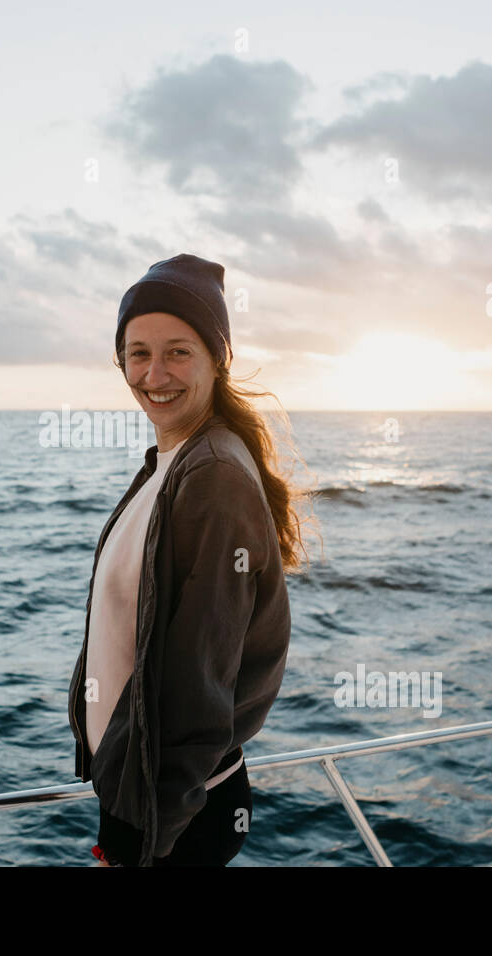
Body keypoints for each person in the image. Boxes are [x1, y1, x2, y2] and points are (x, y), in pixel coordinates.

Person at [67, 253, 317, 867]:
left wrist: (145, 832)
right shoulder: (173, 462)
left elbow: (198, 677)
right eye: (138, 352)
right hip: (145, 791)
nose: (155, 373)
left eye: (179, 351)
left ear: (216, 359)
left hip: (175, 812)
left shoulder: (212, 475)